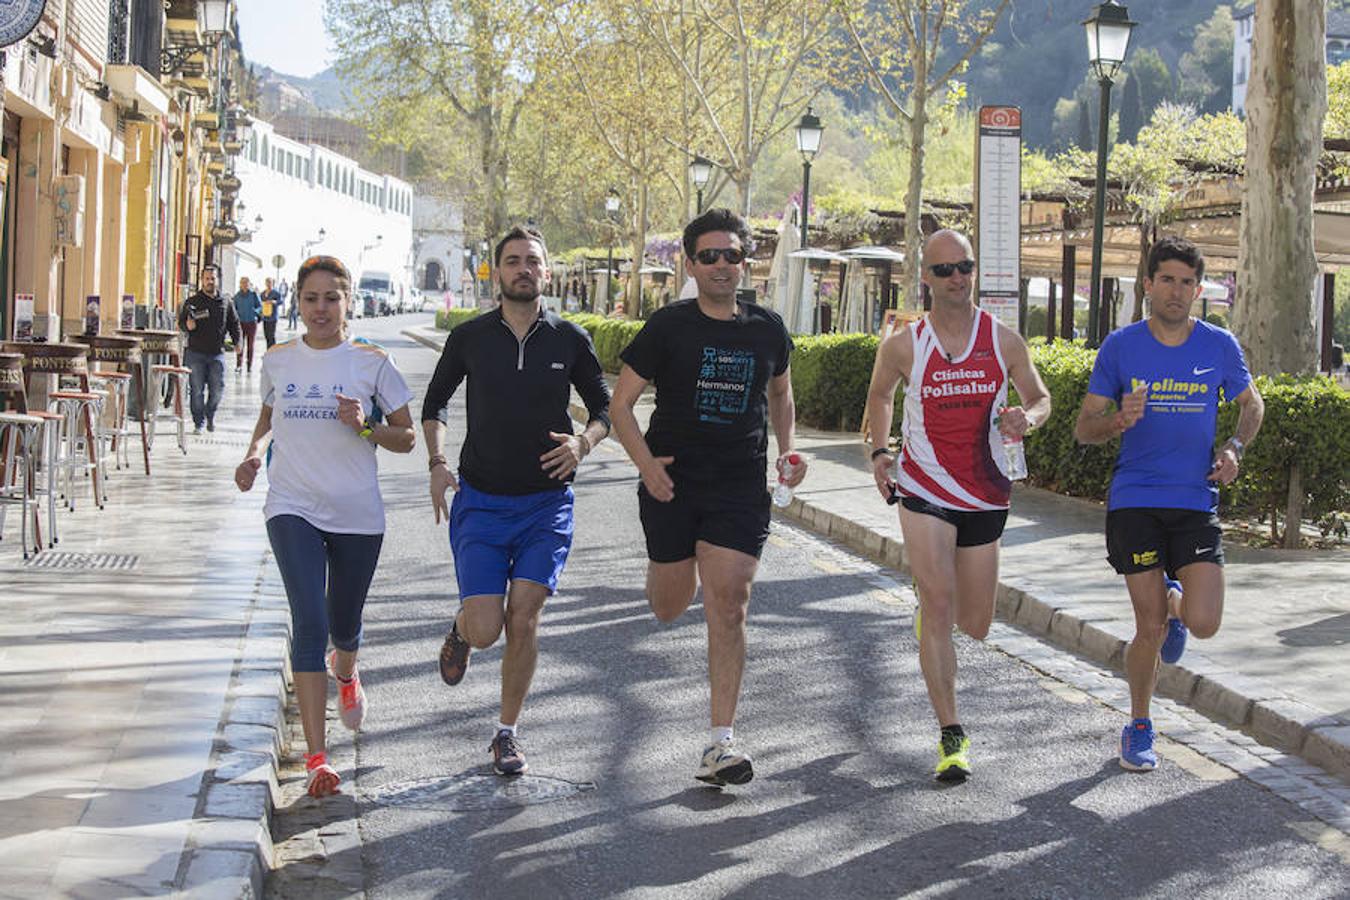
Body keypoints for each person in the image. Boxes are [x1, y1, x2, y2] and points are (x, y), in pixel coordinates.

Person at [610, 208, 805, 788]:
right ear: (690, 264)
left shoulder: (768, 329)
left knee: (731, 602)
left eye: (733, 255)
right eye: (710, 256)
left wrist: (787, 453)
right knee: (669, 605)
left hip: (739, 488)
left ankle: (721, 743)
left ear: (747, 262)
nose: (723, 265)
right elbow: (620, 405)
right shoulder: (668, 327)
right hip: (671, 481)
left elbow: (782, 395)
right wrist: (645, 467)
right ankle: (674, 565)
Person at [863, 229, 1051, 784]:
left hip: (986, 490)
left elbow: (1040, 399)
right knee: (941, 602)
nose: (956, 278)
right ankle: (951, 733)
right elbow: (879, 394)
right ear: (925, 277)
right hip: (923, 488)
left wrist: (1028, 418)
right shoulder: (905, 344)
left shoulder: (1003, 340)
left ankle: (931, 618)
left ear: (976, 270)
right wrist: (879, 451)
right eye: (943, 270)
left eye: (964, 267)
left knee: (976, 622)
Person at [423, 225, 610, 777]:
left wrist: (583, 442)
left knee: (523, 619)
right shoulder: (471, 337)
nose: (523, 268)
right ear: (496, 271)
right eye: (512, 261)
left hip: (546, 506)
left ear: (545, 272)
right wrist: (437, 465)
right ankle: (463, 628)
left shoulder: (570, 339)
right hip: (481, 502)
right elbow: (433, 404)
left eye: (532, 260)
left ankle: (506, 732)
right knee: (488, 629)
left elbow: (602, 408)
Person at [1073, 236, 1264, 772]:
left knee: (1203, 622)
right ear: (1148, 285)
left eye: (1187, 283)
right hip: (1134, 500)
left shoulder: (1219, 346)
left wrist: (1234, 446)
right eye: (1167, 280)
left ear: (1198, 290)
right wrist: (1116, 421)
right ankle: (1138, 724)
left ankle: (1179, 604)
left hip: (1194, 497)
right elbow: (1083, 428)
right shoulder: (1121, 346)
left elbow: (1253, 405)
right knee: (1148, 625)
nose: (1177, 292)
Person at [234, 255, 416, 797]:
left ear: (347, 301)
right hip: (292, 505)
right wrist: (252, 453)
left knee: (343, 625)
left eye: (330, 298)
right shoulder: (279, 359)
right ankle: (318, 758)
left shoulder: (372, 362)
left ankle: (347, 670)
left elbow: (406, 437)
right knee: (309, 624)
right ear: (298, 301)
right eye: (310, 299)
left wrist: (367, 427)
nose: (320, 309)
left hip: (357, 513)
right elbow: (268, 418)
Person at [178, 265, 240, 434]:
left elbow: (234, 324)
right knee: (196, 390)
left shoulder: (226, 302)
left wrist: (238, 342)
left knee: (218, 388)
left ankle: (210, 413)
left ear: (218, 279)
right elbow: (182, 322)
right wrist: (187, 325)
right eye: (206, 279)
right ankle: (199, 422)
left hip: (217, 353)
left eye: (212, 278)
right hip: (195, 353)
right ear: (201, 280)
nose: (210, 282)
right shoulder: (192, 302)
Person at [233, 276, 263, 372]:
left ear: (249, 284)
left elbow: (260, 306)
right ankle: (239, 365)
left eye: (246, 282)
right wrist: (236, 316)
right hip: (241, 323)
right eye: (242, 282)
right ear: (240, 284)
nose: (244, 284)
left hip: (251, 323)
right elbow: (234, 309)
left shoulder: (253, 295)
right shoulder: (237, 296)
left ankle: (249, 365)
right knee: (240, 344)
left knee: (251, 345)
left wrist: (255, 312)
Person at [260, 277, 282, 348]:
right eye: (267, 282)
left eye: (270, 282)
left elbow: (281, 301)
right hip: (265, 317)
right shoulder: (262, 293)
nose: (268, 284)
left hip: (272, 318)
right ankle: (268, 351)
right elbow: (260, 303)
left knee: (271, 336)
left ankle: (273, 352)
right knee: (266, 336)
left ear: (272, 283)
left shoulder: (276, 293)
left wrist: (274, 302)